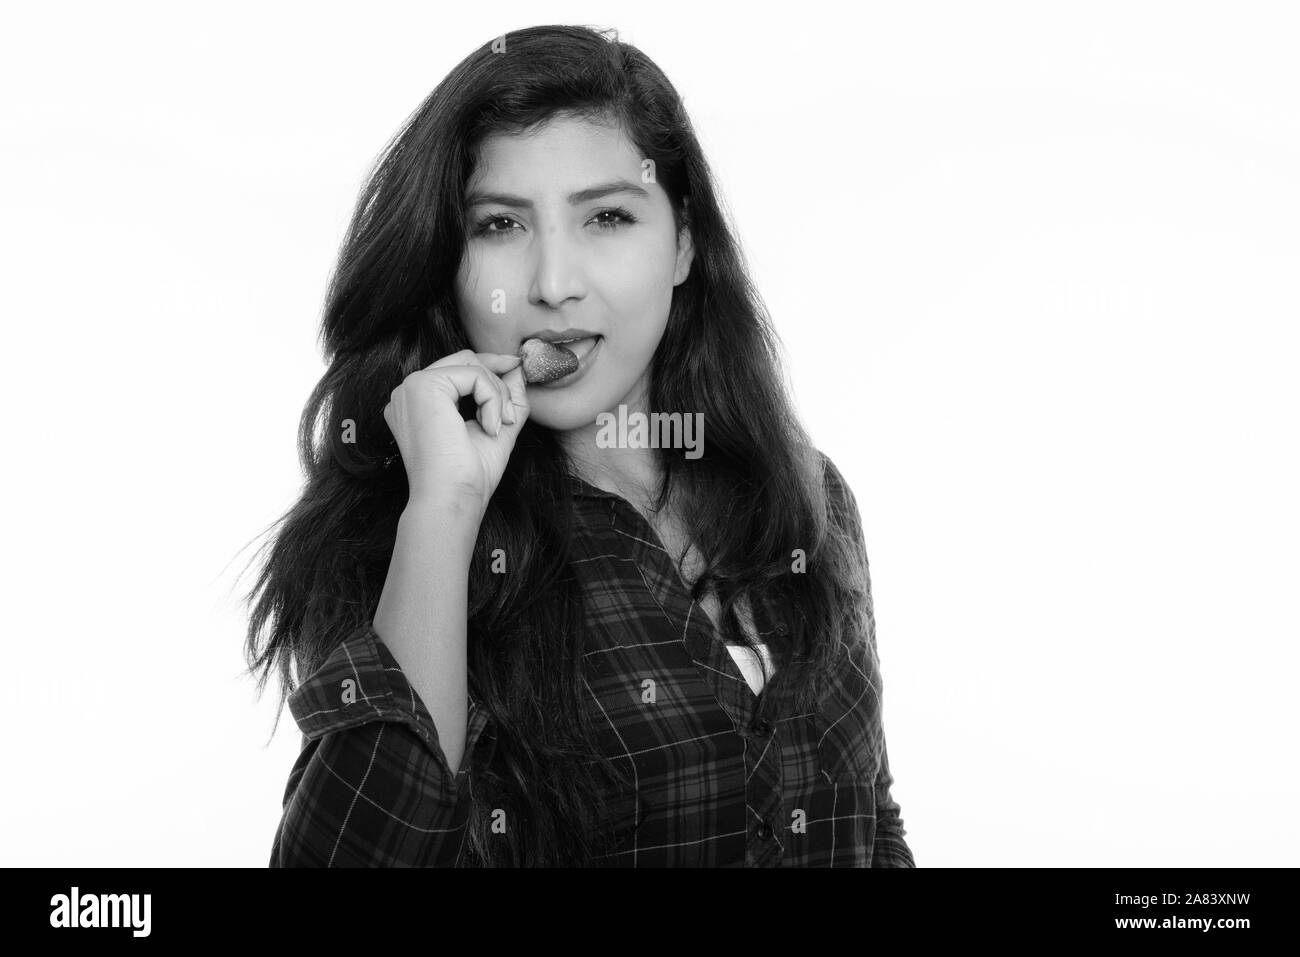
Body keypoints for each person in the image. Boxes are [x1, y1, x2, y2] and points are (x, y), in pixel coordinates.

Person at [245, 23, 914, 867]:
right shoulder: (399, 533)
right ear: (446, 263)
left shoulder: (810, 498)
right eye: (500, 224)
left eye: (606, 215)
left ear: (683, 242)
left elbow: (873, 822)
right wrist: (444, 515)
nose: (554, 283)